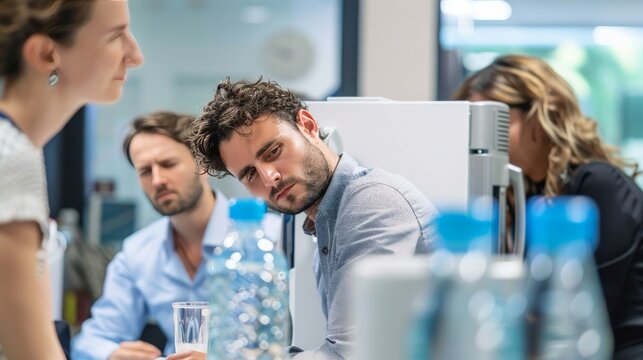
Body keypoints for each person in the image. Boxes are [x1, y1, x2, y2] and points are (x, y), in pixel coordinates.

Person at [189, 78, 438, 359]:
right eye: (250, 174)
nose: (270, 178)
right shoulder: (325, 221)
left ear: (307, 125)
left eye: (273, 151)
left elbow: (348, 356)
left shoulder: (372, 202)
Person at [453, 54, 643, 359]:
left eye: (497, 125)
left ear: (539, 117)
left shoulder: (598, 185)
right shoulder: (524, 199)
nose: (483, 143)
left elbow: (570, 316)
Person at [0, 0, 143, 359]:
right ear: (47, 54)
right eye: (116, 36)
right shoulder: (11, 158)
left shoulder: (21, 150)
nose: (135, 54)